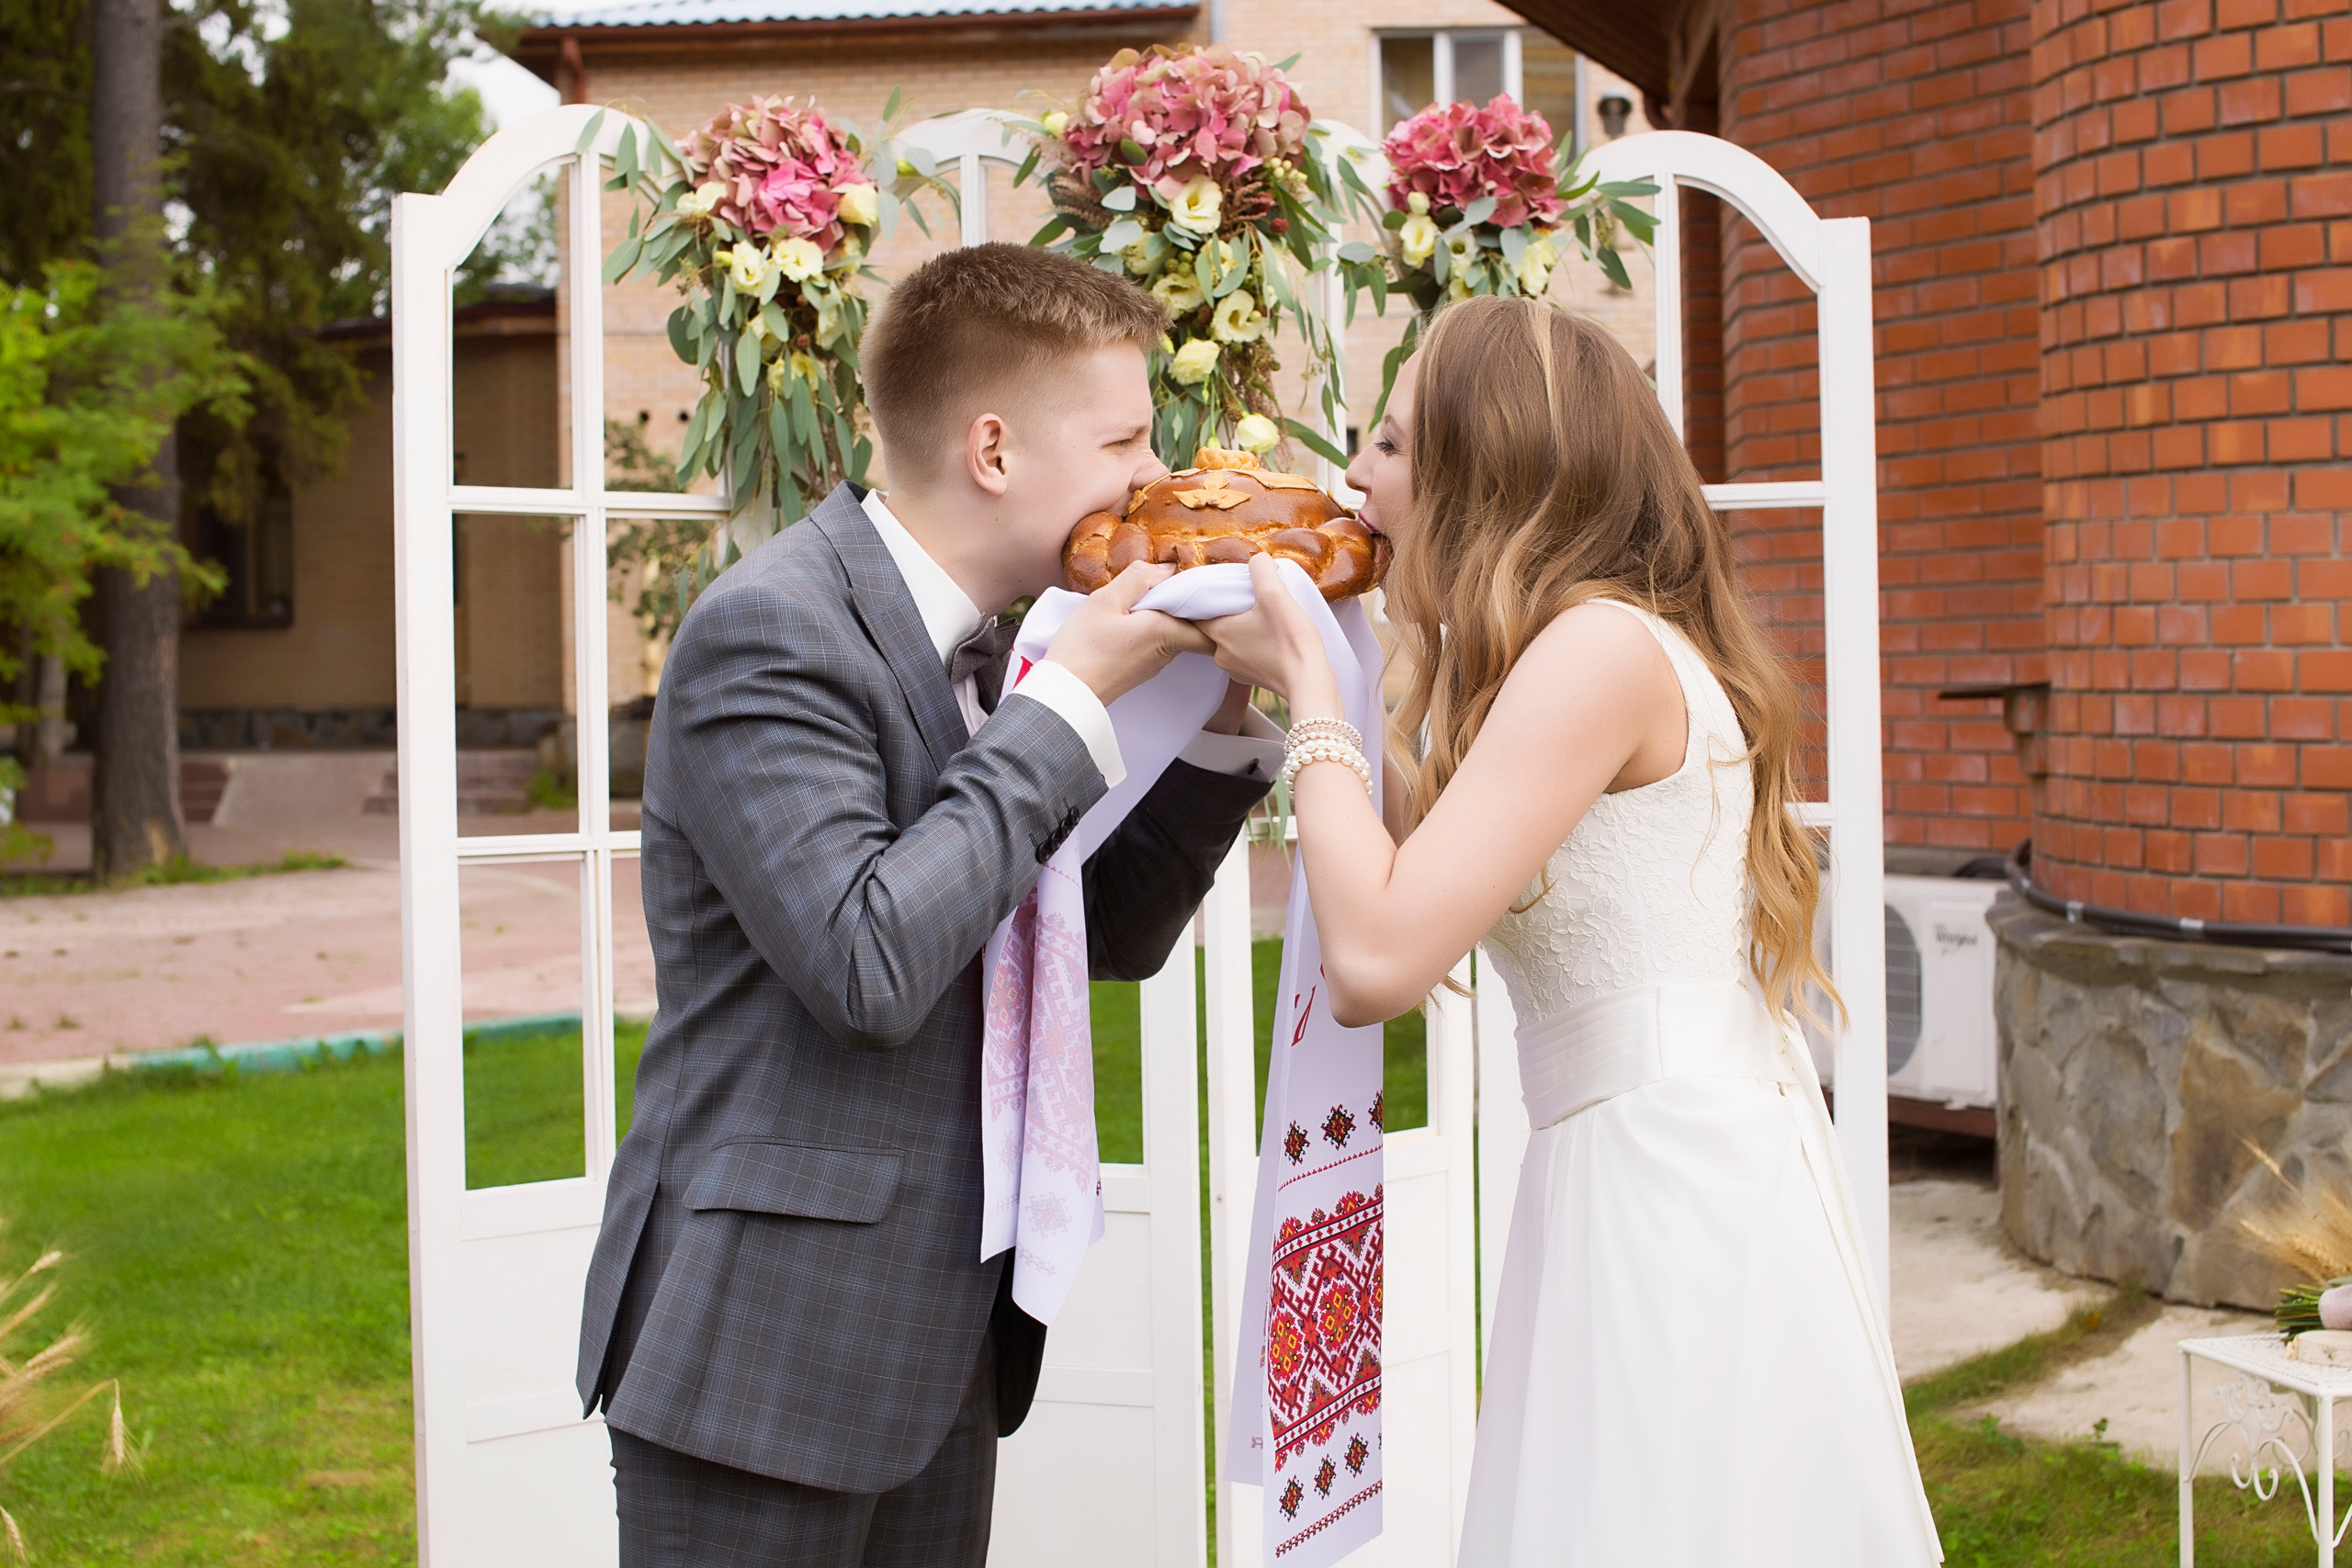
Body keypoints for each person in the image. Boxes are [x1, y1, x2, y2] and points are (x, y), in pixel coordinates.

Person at [1201, 296, 1943, 1564]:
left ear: (1485, 467)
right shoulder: (1583, 647)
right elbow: (1406, 863)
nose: (1353, 480)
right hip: (1632, 1156)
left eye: (1387, 445)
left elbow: (1378, 956)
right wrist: (1307, 674)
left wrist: (1319, 683)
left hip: (1670, 1182)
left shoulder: (1597, 650)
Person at [575, 243, 1283, 1567]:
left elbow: (1089, 938)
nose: (1152, 478)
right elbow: (869, 963)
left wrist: (1222, 731)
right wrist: (1069, 701)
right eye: (1125, 438)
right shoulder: (771, 631)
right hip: (763, 1357)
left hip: (935, 1343)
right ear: (996, 450)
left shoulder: (1001, 646)